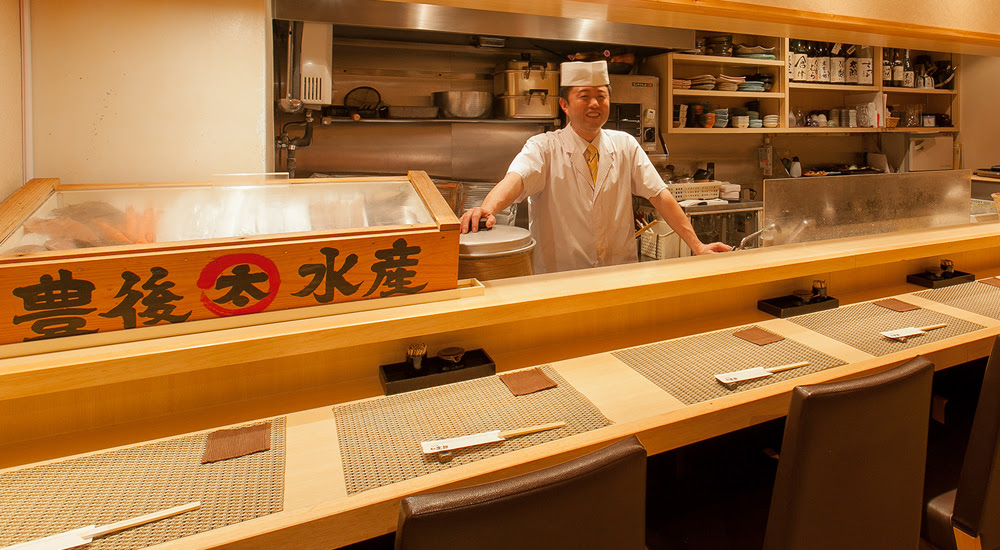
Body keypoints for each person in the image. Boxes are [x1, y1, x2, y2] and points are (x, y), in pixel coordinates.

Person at [459, 60, 730, 274]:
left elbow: (660, 195)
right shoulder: (544, 147)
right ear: (564, 105)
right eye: (584, 96)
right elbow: (517, 178)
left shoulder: (625, 145)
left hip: (618, 274)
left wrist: (697, 246)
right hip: (560, 278)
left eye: (601, 96)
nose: (594, 104)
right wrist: (488, 208)